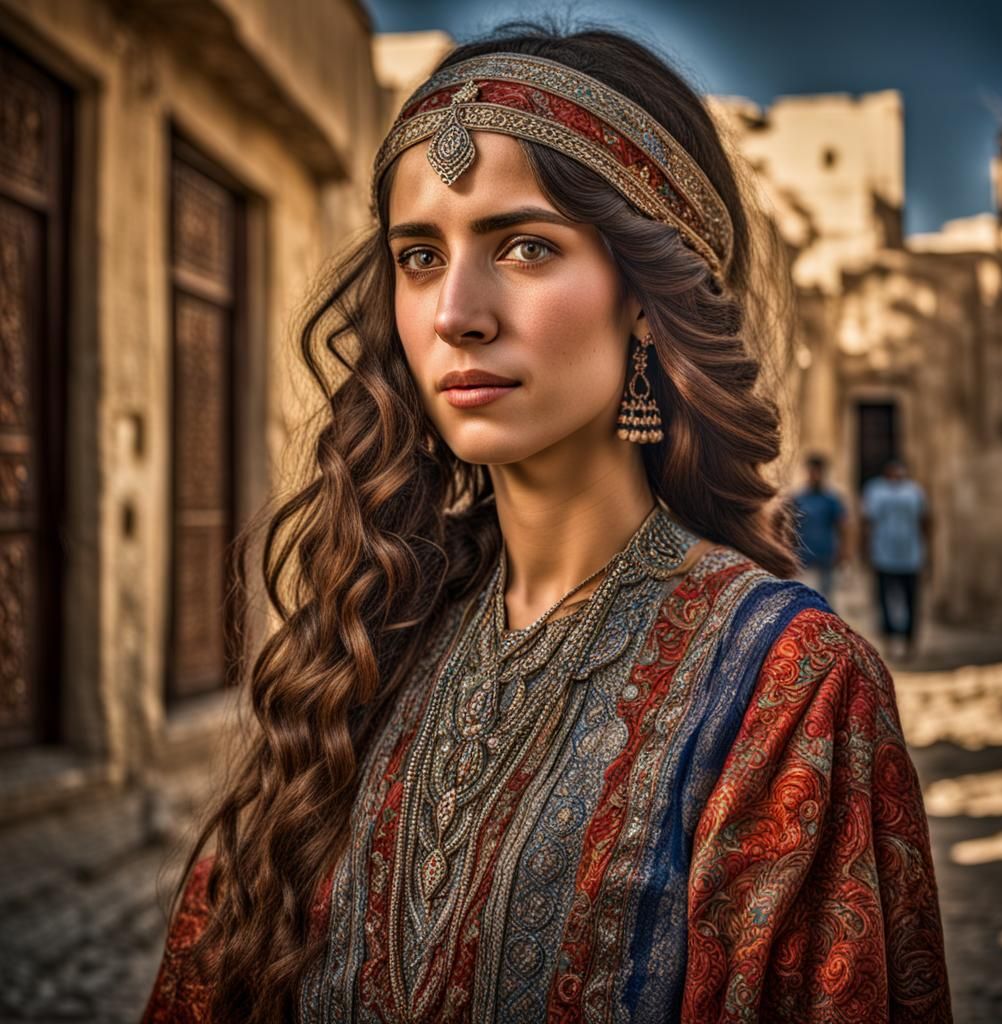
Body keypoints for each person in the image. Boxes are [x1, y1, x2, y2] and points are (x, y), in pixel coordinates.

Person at [141, 24, 952, 1024]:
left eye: (525, 246)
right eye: (420, 255)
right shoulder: (369, 637)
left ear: (647, 299)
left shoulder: (790, 692)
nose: (456, 312)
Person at [862, 458, 931, 660]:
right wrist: (865, 550)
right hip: (883, 555)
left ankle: (910, 642)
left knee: (911, 600)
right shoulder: (876, 491)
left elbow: (925, 522)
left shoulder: (915, 492)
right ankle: (890, 641)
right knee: (884, 600)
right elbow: (868, 522)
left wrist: (928, 553)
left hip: (911, 556)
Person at [791, 452, 849, 604]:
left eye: (818, 471)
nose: (814, 475)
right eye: (812, 471)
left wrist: (843, 551)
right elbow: (791, 526)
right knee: (804, 599)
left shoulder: (831, 499)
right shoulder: (799, 498)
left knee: (827, 599)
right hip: (804, 556)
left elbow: (841, 525)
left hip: (826, 554)